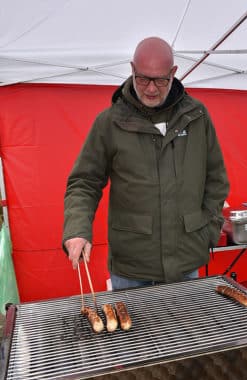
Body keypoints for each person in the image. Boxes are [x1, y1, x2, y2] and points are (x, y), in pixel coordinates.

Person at [63, 36, 229, 290]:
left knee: (183, 330)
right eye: (142, 79)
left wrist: (206, 230)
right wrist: (77, 229)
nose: (151, 89)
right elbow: (85, 181)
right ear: (132, 70)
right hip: (132, 264)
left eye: (160, 80)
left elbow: (216, 179)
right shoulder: (109, 122)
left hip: (186, 260)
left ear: (173, 73)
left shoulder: (196, 117)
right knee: (136, 331)